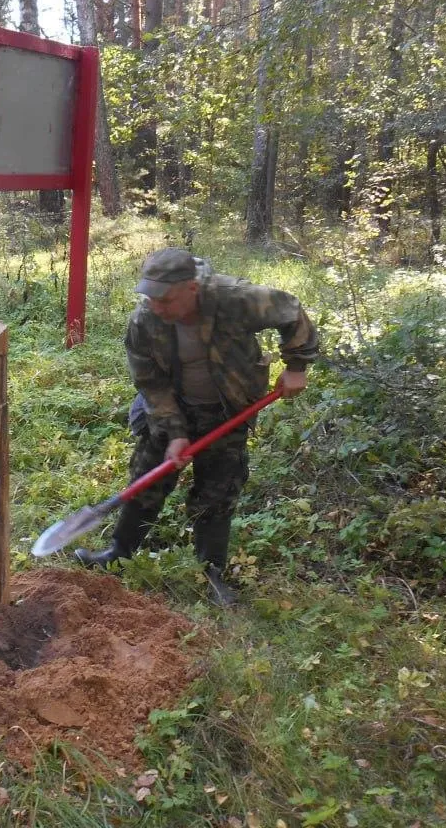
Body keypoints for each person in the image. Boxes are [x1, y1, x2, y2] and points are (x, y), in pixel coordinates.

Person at [75, 248, 318, 605]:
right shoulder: (144, 320)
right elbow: (150, 383)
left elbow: (291, 311)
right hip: (171, 407)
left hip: (227, 410)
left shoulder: (234, 299)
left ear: (191, 288)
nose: (156, 307)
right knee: (147, 479)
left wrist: (296, 366)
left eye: (165, 299)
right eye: (150, 297)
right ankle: (118, 553)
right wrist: (175, 432)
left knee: (217, 494)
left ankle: (213, 574)